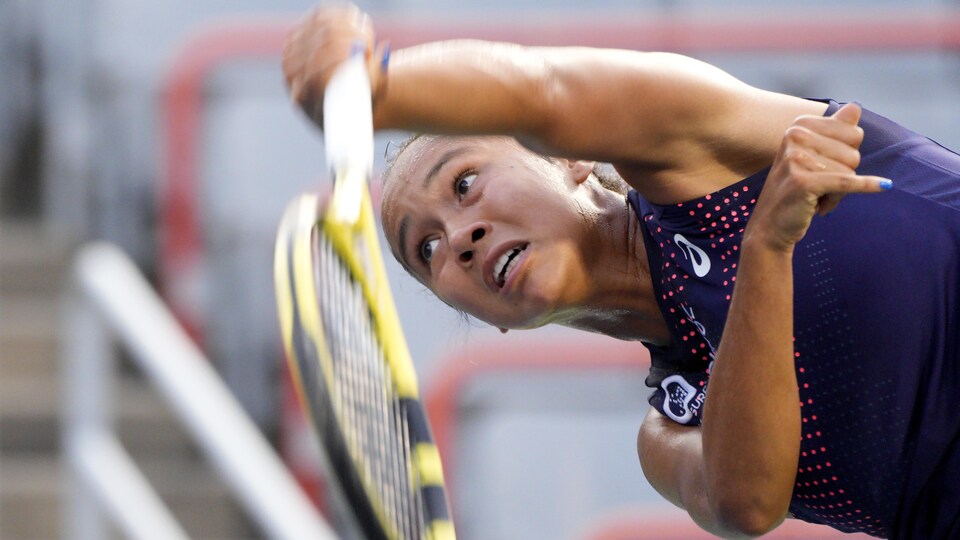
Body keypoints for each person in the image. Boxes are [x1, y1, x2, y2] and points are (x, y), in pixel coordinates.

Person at [282, 4, 960, 539]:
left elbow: (542, 89)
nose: (458, 237)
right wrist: (766, 251)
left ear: (570, 156)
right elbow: (746, 502)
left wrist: (380, 83)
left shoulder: (693, 151)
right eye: (425, 251)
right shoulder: (671, 434)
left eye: (464, 184)